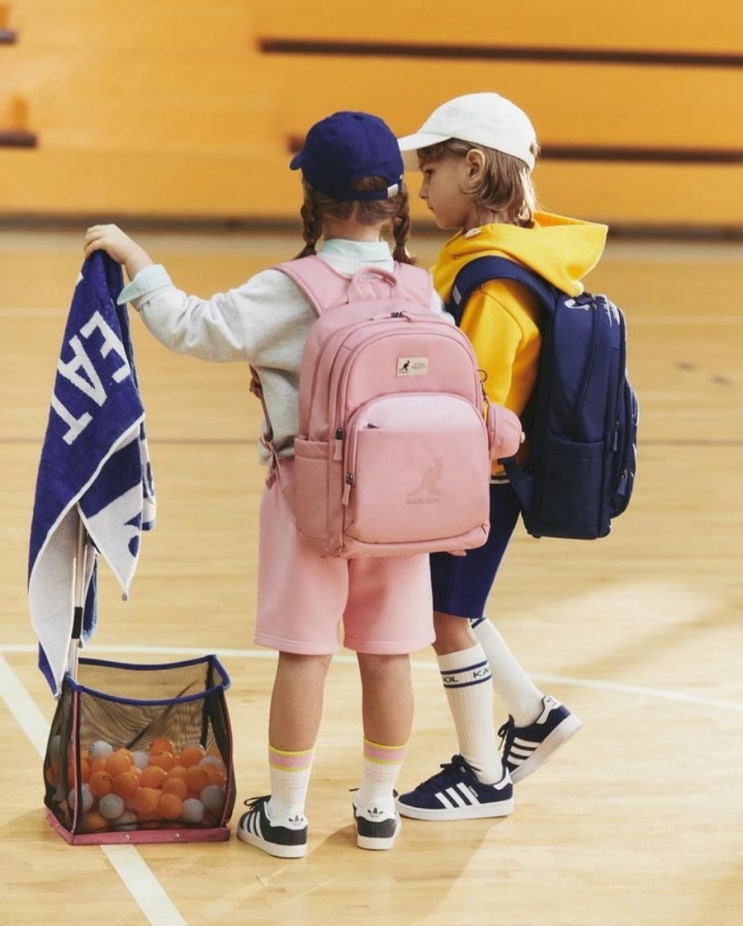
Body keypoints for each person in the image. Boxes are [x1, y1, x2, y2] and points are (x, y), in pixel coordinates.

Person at [82, 111, 453, 858]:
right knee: (390, 655)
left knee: (305, 652)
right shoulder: (420, 289)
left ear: (311, 199)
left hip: (309, 501)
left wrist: (136, 259)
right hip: (405, 506)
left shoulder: (293, 288)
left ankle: (285, 816)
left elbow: (193, 327)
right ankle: (378, 809)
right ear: (395, 202)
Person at [393, 92, 607, 820]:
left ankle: (483, 775)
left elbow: (469, 403)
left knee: (445, 620)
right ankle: (534, 717)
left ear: (476, 168)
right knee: (459, 608)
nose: (421, 186)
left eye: (431, 170)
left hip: (473, 480)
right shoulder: (503, 257)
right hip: (484, 478)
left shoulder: (494, 280)